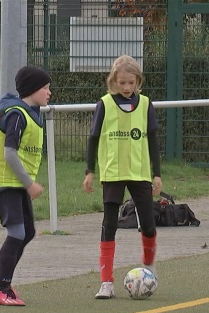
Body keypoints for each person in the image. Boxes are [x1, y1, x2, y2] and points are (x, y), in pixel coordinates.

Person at [82, 54, 162, 299]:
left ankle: (148, 267)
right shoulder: (104, 104)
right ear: (113, 82)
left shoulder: (146, 104)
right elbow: (94, 138)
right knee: (110, 224)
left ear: (138, 81)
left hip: (139, 174)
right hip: (113, 173)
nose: (127, 87)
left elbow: (154, 141)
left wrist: (156, 174)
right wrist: (90, 171)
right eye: (122, 83)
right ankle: (106, 282)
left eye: (131, 83)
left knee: (148, 226)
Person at [0, 66, 52, 306]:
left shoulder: (33, 114)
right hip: (6, 184)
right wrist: (29, 184)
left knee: (29, 232)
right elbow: (10, 154)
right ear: (33, 90)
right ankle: (0, 289)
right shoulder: (17, 114)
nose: (49, 92)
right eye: (45, 88)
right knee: (16, 233)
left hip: (17, 185)